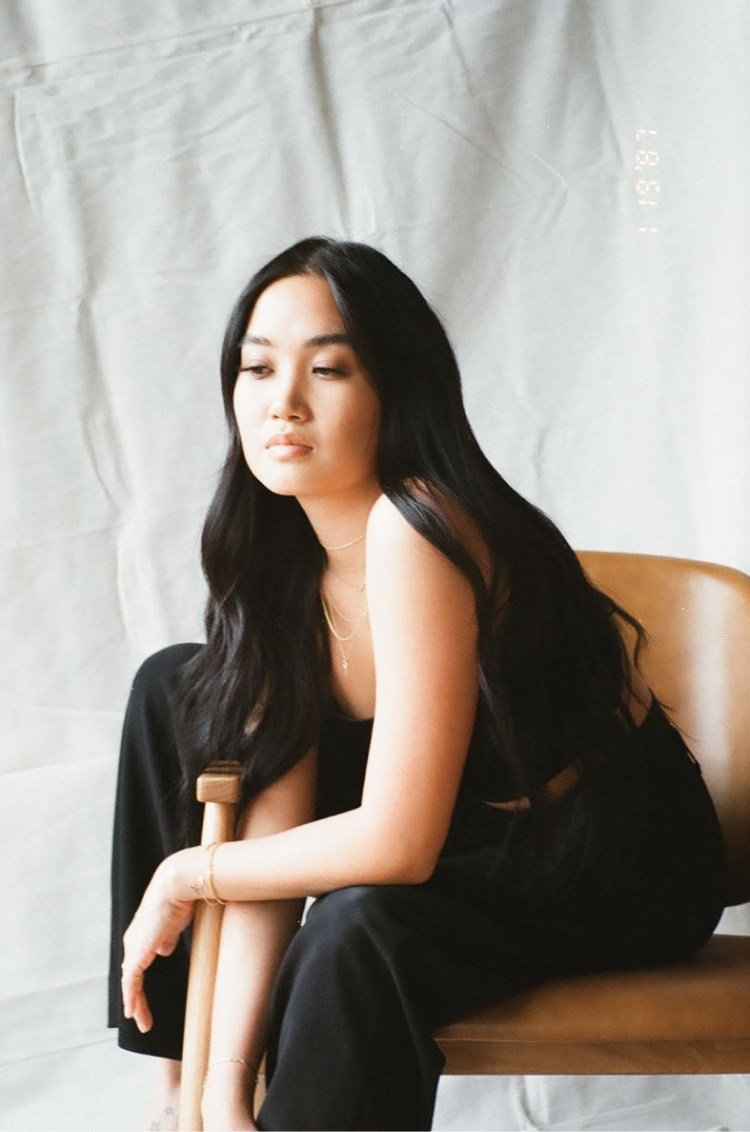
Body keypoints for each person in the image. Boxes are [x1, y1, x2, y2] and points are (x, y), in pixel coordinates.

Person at [109, 237, 726, 1132]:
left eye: (328, 369)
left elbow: (398, 846)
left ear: (395, 387)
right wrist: (222, 1082)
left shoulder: (419, 523)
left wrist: (185, 875)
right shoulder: (279, 566)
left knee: (359, 930)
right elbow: (269, 843)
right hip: (465, 843)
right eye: (255, 368)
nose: (282, 403)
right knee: (178, 685)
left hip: (610, 855)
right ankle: (174, 1090)